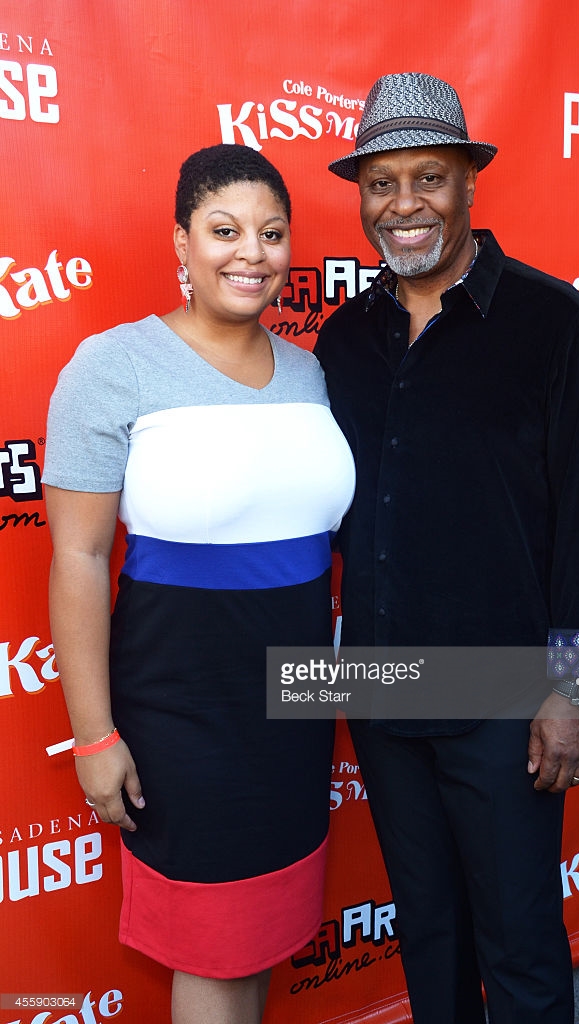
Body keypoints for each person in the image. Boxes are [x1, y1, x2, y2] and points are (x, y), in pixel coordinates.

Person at [314, 73, 579, 1024]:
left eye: (429, 178)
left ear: (468, 186)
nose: (404, 204)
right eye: (381, 183)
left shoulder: (560, 327)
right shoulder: (344, 338)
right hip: (381, 683)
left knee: (521, 942)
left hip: (505, 696)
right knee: (431, 933)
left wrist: (574, 695)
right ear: (361, 197)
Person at [43, 143, 355, 1024]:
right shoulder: (111, 367)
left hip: (294, 712)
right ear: (181, 243)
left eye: (270, 232)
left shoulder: (309, 372)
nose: (249, 253)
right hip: (183, 715)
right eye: (223, 231)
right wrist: (93, 736)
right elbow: (78, 557)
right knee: (212, 956)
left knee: (259, 944)